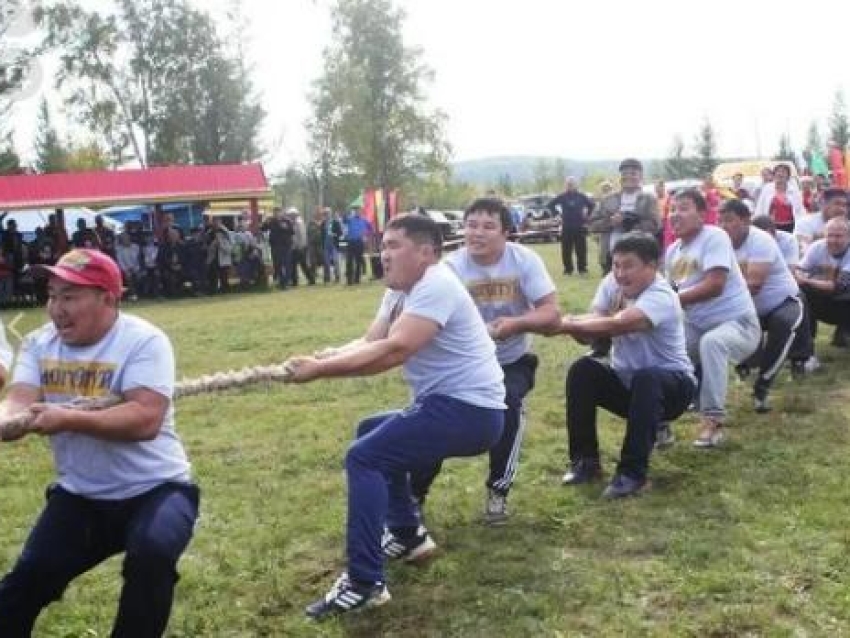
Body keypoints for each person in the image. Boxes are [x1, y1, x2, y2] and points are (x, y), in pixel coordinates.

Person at [282, 214, 505, 620]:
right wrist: (325, 355)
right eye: (382, 245)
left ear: (426, 253)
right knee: (372, 432)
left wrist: (318, 371)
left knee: (365, 456)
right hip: (449, 405)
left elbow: (394, 351)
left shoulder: (436, 284)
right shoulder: (399, 290)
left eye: (393, 246)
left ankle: (365, 583)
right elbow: (372, 342)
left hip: (471, 412)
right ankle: (407, 536)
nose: (382, 254)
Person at [0, 249, 200, 637]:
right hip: (80, 497)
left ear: (107, 298)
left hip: (157, 489)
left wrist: (67, 418)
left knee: (152, 557)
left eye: (69, 297)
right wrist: (8, 421)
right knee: (26, 582)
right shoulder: (40, 344)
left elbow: (145, 419)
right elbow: (18, 400)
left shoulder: (144, 341)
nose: (56, 308)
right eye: (52, 295)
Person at [408, 197, 559, 524]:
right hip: (460, 367)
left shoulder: (525, 260)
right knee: (431, 419)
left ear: (507, 232)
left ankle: (498, 490)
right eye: (471, 225)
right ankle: (413, 496)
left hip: (510, 360)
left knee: (509, 403)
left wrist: (515, 324)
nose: (477, 233)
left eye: (488, 226)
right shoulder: (449, 268)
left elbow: (551, 311)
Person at [556, 233, 696, 498]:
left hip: (673, 390)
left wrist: (563, 324)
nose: (620, 273)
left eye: (628, 265)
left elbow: (620, 324)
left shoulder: (662, 296)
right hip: (629, 388)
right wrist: (569, 325)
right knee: (582, 370)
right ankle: (585, 462)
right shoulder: (612, 283)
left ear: (652, 266)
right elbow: (594, 325)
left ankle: (632, 475)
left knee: (648, 378)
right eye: (616, 265)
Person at [666, 189, 760, 447]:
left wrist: (671, 301)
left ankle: (712, 422)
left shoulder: (714, 236)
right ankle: (659, 423)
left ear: (701, 214)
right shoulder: (673, 252)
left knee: (713, 343)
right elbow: (669, 291)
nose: (675, 214)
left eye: (683, 208)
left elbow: (714, 285)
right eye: (673, 209)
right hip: (695, 326)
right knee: (666, 356)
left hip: (740, 324)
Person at [719, 200, 810, 412]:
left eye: (729, 220)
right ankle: (736, 371)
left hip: (782, 301)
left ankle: (762, 386)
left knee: (783, 324)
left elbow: (754, 285)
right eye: (720, 221)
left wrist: (715, 298)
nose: (724, 226)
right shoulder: (719, 243)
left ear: (745, 220)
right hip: (747, 306)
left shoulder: (760, 240)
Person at [589, 158, 660, 274]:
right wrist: (610, 222)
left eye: (633, 173)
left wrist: (629, 223)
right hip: (611, 257)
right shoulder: (608, 199)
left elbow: (655, 225)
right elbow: (592, 224)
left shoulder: (648, 199)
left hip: (640, 257)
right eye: (624, 173)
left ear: (640, 176)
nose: (628, 176)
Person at [795, 217, 850, 347]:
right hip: (826, 301)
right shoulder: (817, 247)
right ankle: (806, 346)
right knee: (800, 294)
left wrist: (806, 280)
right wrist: (798, 276)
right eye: (829, 235)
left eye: (838, 236)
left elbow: (838, 286)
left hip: (846, 304)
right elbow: (798, 269)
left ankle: (844, 331)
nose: (833, 240)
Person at [547, 177, 594, 275]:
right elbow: (550, 204)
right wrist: (557, 215)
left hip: (579, 225)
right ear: (565, 185)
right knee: (566, 249)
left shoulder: (581, 196)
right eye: (568, 184)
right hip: (566, 225)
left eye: (572, 184)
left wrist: (587, 216)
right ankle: (568, 269)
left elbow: (591, 205)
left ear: (576, 185)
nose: (570, 186)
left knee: (581, 249)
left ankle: (582, 269)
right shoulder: (562, 196)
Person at [793, 187, 848, 254]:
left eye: (845, 205)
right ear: (823, 204)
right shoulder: (805, 223)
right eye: (837, 204)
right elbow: (803, 251)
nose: (842, 209)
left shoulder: (847, 225)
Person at [754, 164, 805, 233]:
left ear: (788, 176)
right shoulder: (767, 188)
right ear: (774, 175)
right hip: (771, 226)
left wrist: (801, 226)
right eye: (777, 172)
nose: (780, 174)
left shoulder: (794, 191)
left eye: (783, 172)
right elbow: (760, 207)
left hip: (791, 226)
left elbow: (800, 210)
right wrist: (757, 224)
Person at [344, 205, 372, 285]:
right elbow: (344, 219)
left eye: (359, 211)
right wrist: (348, 212)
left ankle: (357, 279)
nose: (357, 212)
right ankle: (349, 280)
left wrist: (366, 235)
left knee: (358, 261)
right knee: (349, 261)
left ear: (361, 212)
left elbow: (370, 229)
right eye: (356, 211)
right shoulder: (350, 219)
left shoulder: (364, 220)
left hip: (360, 242)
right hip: (351, 242)